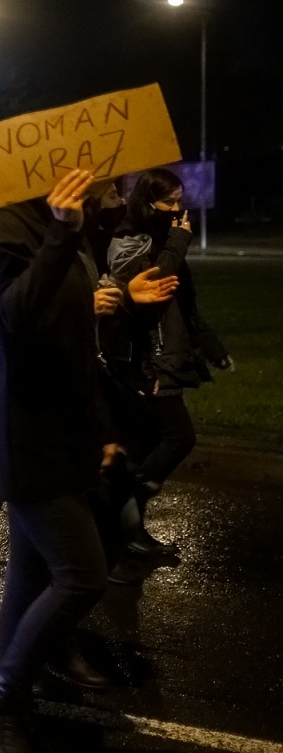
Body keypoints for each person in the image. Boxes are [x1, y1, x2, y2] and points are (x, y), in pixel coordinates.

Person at [0, 168, 119, 753]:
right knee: (82, 576)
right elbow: (16, 317)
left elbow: (74, 338)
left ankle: (9, 709)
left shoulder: (47, 225)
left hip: (59, 432)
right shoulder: (4, 228)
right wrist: (60, 235)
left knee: (30, 577)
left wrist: (101, 427)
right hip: (27, 438)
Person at [107, 168, 231, 558]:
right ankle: (127, 505)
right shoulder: (129, 240)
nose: (179, 210)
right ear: (148, 203)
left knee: (144, 447)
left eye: (181, 201)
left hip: (167, 354)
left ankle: (124, 529)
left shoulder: (165, 239)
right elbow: (154, 283)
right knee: (179, 437)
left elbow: (184, 304)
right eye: (170, 203)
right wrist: (179, 240)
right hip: (147, 360)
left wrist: (211, 347)